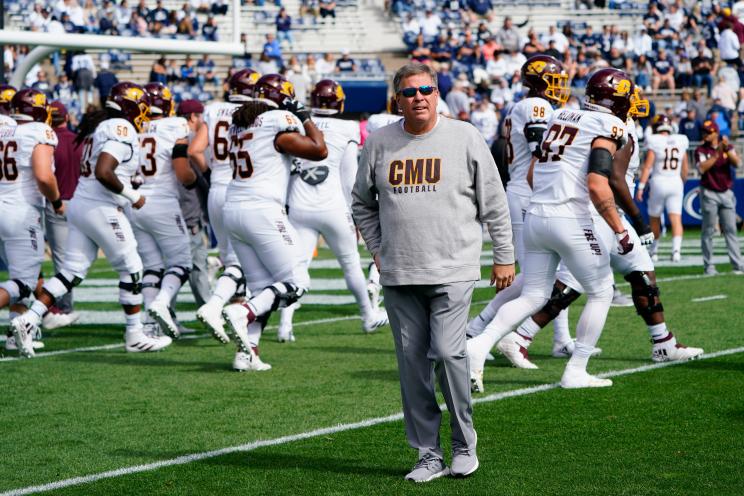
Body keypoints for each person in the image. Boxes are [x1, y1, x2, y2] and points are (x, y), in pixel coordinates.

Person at [352, 63, 515, 482]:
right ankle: (428, 454)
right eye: (410, 92)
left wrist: (504, 254)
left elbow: (493, 200)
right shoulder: (380, 143)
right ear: (398, 100)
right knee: (412, 367)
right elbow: (362, 204)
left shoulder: (464, 136)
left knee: (446, 352)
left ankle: (464, 444)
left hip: (453, 267)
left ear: (437, 94)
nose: (418, 97)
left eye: (426, 89)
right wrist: (378, 250)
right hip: (400, 271)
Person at [496, 88, 704, 367]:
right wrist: (636, 222)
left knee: (638, 273)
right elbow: (613, 179)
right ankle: (522, 339)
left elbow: (537, 171)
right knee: (583, 282)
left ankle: (662, 341)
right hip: (594, 214)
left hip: (576, 212)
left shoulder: (574, 118)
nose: (634, 103)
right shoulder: (614, 127)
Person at [467, 68, 638, 391]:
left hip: (536, 216)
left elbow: (533, 173)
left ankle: (477, 345)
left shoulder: (559, 115)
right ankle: (576, 370)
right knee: (601, 291)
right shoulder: (610, 125)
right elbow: (597, 183)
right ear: (616, 100)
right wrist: (620, 229)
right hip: (569, 218)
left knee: (533, 293)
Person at [11, 82, 172, 356]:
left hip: (81, 205)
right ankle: (134, 333)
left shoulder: (105, 126)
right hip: (101, 207)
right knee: (133, 268)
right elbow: (104, 172)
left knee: (70, 272)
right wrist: (133, 196)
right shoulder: (121, 128)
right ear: (131, 107)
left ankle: (29, 318)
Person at [466, 55, 573, 356]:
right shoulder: (535, 106)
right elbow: (541, 154)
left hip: (529, 193)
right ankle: (476, 329)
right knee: (534, 279)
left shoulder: (531, 107)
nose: (559, 86)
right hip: (529, 194)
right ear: (538, 81)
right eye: (553, 79)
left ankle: (561, 339)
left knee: (553, 273)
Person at [219, 74, 327, 371]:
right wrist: (303, 115)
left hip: (234, 209)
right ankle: (244, 312)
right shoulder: (278, 122)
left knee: (262, 287)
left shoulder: (241, 122)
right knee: (297, 282)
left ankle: (246, 353)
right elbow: (319, 150)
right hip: (262, 210)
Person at [278, 79, 388, 341]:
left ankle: (285, 324)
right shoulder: (347, 127)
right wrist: (358, 213)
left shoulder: (296, 123)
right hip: (332, 207)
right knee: (350, 263)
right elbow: (349, 177)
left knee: (298, 265)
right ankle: (368, 315)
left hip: (299, 205)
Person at [190, 69, 259, 344]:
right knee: (247, 260)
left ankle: (231, 309)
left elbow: (195, 150)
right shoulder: (257, 112)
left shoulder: (213, 109)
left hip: (216, 188)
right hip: (242, 188)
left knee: (232, 257)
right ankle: (220, 308)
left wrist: (210, 176)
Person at [130, 82, 202, 339]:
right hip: (162, 201)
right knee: (181, 263)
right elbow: (183, 172)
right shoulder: (175, 126)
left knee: (152, 266)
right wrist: (196, 181)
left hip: (135, 201)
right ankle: (162, 303)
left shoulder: (133, 127)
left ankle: (150, 324)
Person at [1, 90, 64, 353]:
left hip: (4, 202)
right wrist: (57, 201)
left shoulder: (5, 129)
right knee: (25, 281)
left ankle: (16, 334)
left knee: (19, 275)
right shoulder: (38, 130)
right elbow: (43, 175)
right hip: (22, 209)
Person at [41, 101, 82, 331]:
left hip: (56, 203)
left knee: (62, 259)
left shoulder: (47, 141)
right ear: (66, 118)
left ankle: (64, 306)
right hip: (82, 203)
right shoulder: (80, 140)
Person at [636, 115, 689, 262]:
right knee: (676, 219)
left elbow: (647, 166)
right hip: (675, 181)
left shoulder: (654, 141)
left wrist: (640, 186)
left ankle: (654, 251)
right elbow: (685, 168)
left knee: (654, 219)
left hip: (659, 181)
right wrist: (681, 182)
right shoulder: (681, 140)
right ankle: (676, 251)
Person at [696, 120, 744, 275]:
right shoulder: (701, 150)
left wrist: (727, 150)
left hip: (726, 192)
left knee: (731, 229)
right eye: (704, 132)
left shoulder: (727, 148)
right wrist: (718, 153)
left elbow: (737, 163)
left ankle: (738, 264)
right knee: (708, 231)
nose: (705, 134)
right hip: (709, 192)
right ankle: (708, 266)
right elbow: (702, 168)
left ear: (716, 133)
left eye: (708, 132)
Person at [175, 99, 211, 307]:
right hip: (187, 211)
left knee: (165, 266)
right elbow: (201, 179)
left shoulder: (165, 135)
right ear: (193, 117)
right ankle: (207, 310)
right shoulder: (190, 140)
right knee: (195, 265)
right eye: (200, 115)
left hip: (164, 210)